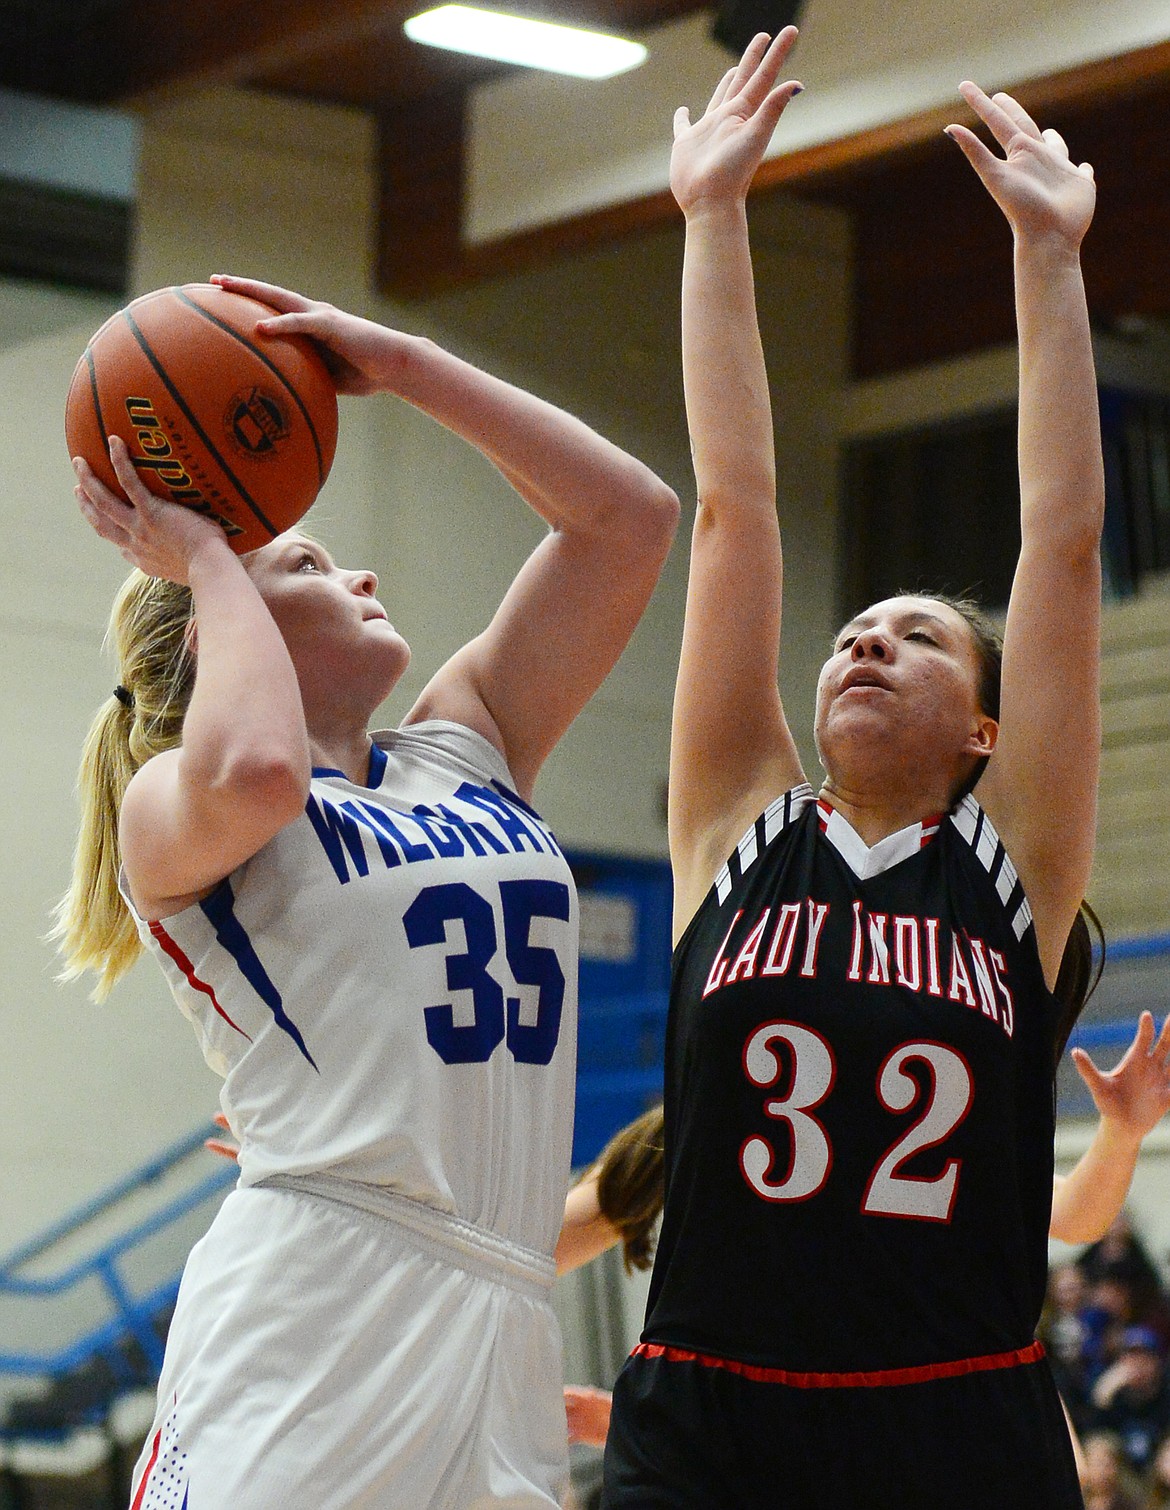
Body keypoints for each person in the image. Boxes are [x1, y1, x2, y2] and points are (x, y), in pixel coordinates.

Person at [56, 273, 678, 1510]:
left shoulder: (465, 743)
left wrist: (404, 364)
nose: (364, 575)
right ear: (212, 626)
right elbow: (261, 764)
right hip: (317, 1306)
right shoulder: (175, 804)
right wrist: (205, 552)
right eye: (305, 559)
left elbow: (630, 519)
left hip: (500, 1304)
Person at [600, 28, 1104, 1508]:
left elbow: (1062, 548)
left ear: (985, 731)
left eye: (919, 640)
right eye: (851, 636)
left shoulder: (1014, 867)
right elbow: (735, 510)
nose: (864, 646)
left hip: (949, 1422)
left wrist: (1049, 264)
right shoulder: (738, 830)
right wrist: (710, 217)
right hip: (708, 1413)